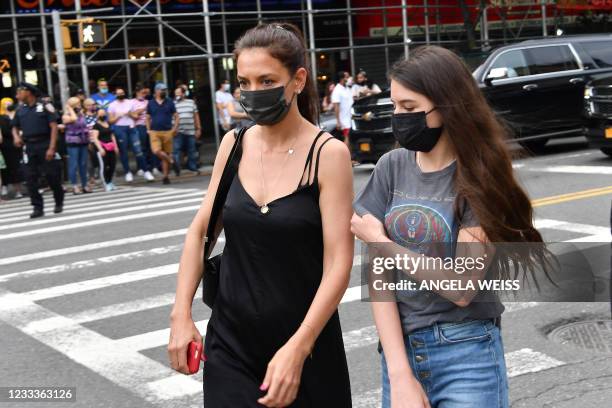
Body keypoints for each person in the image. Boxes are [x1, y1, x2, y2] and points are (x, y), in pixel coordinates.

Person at [351, 46, 550, 408]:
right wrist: (398, 373)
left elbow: (461, 287)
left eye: (409, 108)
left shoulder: (480, 176)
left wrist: (381, 242)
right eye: (394, 106)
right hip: (400, 355)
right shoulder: (390, 166)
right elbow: (380, 281)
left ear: (447, 105)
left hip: (467, 353)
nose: (398, 117)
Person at [168, 23, 354, 408]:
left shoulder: (328, 155)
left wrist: (300, 347)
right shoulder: (233, 145)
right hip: (231, 342)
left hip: (305, 343)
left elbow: (339, 261)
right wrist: (180, 313)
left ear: (298, 79)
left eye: (266, 80)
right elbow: (201, 231)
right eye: (244, 82)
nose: (253, 93)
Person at [11, 82, 64, 218]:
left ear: (28, 92)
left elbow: (53, 127)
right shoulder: (20, 109)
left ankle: (58, 200)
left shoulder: (45, 106)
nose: (17, 95)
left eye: (19, 91)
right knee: (30, 177)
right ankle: (37, 207)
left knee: (52, 176)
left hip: (45, 143)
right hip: (29, 146)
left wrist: (52, 147)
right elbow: (14, 126)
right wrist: (16, 137)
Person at [108, 86, 152, 182]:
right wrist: (118, 116)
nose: (121, 95)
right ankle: (127, 172)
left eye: (122, 93)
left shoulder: (130, 102)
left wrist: (130, 114)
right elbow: (110, 121)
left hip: (131, 127)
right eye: (119, 94)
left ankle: (146, 171)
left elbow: (136, 116)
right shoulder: (112, 105)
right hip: (119, 128)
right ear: (115, 95)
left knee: (138, 150)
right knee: (123, 151)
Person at [146, 82, 179, 184]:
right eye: (162, 90)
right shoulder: (151, 103)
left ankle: (165, 176)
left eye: (165, 90)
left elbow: (176, 116)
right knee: (156, 151)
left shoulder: (169, 102)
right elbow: (147, 117)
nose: (164, 91)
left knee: (166, 152)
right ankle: (171, 161)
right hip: (155, 131)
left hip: (167, 131)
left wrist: (174, 128)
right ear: (156, 91)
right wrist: (148, 129)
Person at [62, 97, 92, 194]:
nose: (79, 106)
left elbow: (85, 125)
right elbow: (73, 119)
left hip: (83, 141)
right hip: (73, 142)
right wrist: (69, 109)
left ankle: (84, 185)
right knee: (73, 164)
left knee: (83, 164)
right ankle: (74, 185)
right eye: (77, 104)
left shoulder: (81, 114)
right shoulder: (66, 116)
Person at [173, 86, 201, 175]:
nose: (177, 95)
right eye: (176, 93)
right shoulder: (173, 104)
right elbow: (172, 117)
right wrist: (174, 129)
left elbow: (196, 116)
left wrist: (198, 128)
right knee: (176, 150)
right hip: (178, 131)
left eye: (178, 93)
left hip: (190, 131)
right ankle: (177, 168)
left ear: (183, 94)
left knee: (191, 150)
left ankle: (192, 167)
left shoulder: (191, 102)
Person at [130, 84, 156, 179]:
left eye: (145, 93)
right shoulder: (132, 102)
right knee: (141, 148)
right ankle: (141, 167)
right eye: (142, 92)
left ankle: (152, 166)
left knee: (151, 147)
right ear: (137, 92)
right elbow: (133, 114)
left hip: (149, 126)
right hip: (139, 126)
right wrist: (144, 109)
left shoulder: (148, 101)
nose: (144, 94)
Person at [0, 98, 23, 199]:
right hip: (7, 145)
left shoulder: (17, 114)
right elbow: (4, 131)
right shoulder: (1, 117)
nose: (8, 105)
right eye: (6, 103)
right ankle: (11, 187)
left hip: (20, 144)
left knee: (20, 165)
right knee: (10, 167)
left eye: (10, 103)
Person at [91, 109, 119, 192]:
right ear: (97, 115)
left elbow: (112, 135)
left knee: (112, 165)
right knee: (104, 166)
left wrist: (116, 146)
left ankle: (110, 182)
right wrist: (100, 148)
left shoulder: (108, 124)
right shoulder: (96, 126)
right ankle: (106, 183)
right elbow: (95, 138)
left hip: (111, 147)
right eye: (101, 114)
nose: (103, 115)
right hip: (102, 148)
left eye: (104, 113)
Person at [331, 71, 354, 155]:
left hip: (351, 118)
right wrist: (338, 121)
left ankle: (350, 158)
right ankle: (345, 157)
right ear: (342, 79)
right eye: (347, 77)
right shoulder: (337, 90)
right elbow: (336, 106)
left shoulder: (347, 88)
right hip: (344, 119)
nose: (349, 79)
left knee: (350, 138)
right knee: (347, 138)